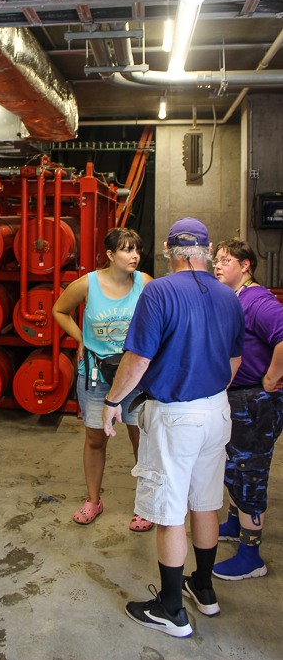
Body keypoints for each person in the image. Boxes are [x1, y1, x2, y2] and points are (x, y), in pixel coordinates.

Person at [102, 218, 245, 638]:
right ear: (207, 249)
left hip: (175, 414)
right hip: (216, 411)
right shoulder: (229, 296)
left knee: (169, 512)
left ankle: (170, 610)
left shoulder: (158, 291)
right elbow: (234, 363)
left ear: (169, 249)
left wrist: (112, 402)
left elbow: (138, 360)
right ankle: (203, 588)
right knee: (205, 503)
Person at [52, 228, 153, 529]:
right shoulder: (87, 284)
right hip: (96, 374)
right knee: (95, 439)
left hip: (135, 376)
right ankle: (93, 500)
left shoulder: (145, 283)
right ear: (110, 255)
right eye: (126, 250)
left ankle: (145, 506)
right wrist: (80, 337)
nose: (134, 255)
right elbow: (59, 310)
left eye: (136, 249)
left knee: (141, 439)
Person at [212, 239, 283, 581]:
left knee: (250, 472)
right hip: (238, 398)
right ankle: (233, 523)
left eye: (226, 260)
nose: (218, 265)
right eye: (216, 260)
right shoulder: (234, 298)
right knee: (234, 466)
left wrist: (271, 378)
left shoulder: (258, 301)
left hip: (257, 400)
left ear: (246, 266)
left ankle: (251, 556)